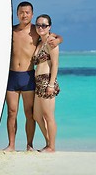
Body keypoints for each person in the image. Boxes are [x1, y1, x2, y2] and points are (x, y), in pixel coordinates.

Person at [0, 1, 63, 151]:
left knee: (29, 113)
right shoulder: (9, 30)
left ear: (32, 14)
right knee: (12, 112)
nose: (24, 15)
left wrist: (59, 39)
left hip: (29, 76)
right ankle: (11, 145)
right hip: (11, 76)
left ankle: (29, 145)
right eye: (21, 12)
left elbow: (54, 36)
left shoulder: (36, 31)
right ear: (17, 14)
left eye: (27, 12)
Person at [33, 14, 60, 153]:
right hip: (38, 82)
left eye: (44, 25)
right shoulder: (40, 42)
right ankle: (49, 142)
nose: (40, 27)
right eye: (38, 25)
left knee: (48, 116)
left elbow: (55, 64)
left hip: (47, 81)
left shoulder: (51, 42)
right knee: (36, 116)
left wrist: (50, 84)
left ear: (49, 27)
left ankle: (51, 146)